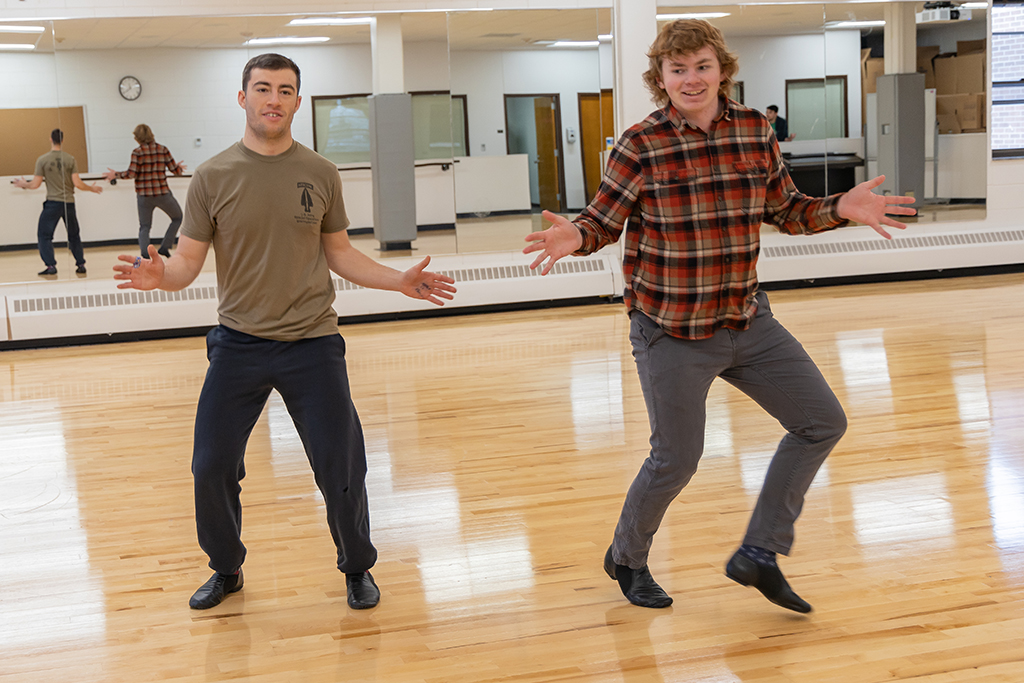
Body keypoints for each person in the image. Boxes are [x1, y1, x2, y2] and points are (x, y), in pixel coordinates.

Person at [524, 20, 914, 612]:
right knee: (676, 458)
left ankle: (759, 553)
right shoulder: (641, 143)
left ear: (722, 70)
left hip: (747, 320)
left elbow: (787, 211)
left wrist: (841, 207)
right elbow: (603, 221)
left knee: (821, 422)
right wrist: (575, 236)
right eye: (677, 69)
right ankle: (626, 557)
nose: (690, 79)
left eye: (701, 66)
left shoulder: (755, 130)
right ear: (661, 78)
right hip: (671, 330)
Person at [113, 53, 457, 611]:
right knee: (211, 466)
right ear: (243, 97)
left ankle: (357, 567)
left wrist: (399, 280)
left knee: (342, 468)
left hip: (312, 344)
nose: (274, 98)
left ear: (298, 101)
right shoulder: (213, 176)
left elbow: (340, 254)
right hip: (238, 346)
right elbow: (186, 266)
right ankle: (226, 568)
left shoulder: (320, 173)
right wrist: (160, 276)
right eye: (263, 88)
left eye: (286, 90)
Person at [13, 129, 102, 277]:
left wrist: (24, 184)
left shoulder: (42, 160)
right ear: (62, 140)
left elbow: (35, 184)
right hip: (69, 204)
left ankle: (50, 266)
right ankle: (80, 264)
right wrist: (91, 188)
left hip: (53, 203)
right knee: (74, 235)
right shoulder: (70, 159)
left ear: (50, 139)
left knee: (44, 235)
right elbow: (78, 184)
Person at [103, 124, 187, 258]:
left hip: (144, 196)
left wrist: (116, 174)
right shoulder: (163, 149)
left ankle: (145, 255)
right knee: (177, 217)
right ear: (151, 134)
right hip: (163, 194)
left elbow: (131, 174)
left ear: (137, 138)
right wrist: (179, 168)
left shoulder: (137, 152)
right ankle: (165, 246)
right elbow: (175, 170)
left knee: (145, 226)